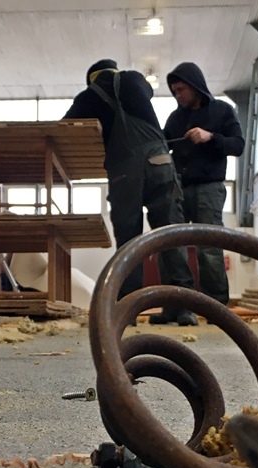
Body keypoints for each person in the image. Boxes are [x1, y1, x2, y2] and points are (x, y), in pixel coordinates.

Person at [63, 58, 198, 326]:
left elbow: (65, 127)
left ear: (92, 78)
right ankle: (182, 309)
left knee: (129, 242)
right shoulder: (135, 79)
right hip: (160, 163)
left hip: (125, 171)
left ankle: (128, 310)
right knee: (170, 236)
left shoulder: (89, 95)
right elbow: (147, 94)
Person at [156, 62, 245, 316]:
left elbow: (238, 145)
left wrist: (211, 137)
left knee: (209, 248)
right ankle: (175, 307)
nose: (177, 95)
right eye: (174, 91)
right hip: (178, 189)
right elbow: (162, 144)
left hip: (209, 188)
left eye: (181, 89)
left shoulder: (222, 111)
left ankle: (216, 308)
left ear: (195, 86)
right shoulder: (175, 119)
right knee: (171, 246)